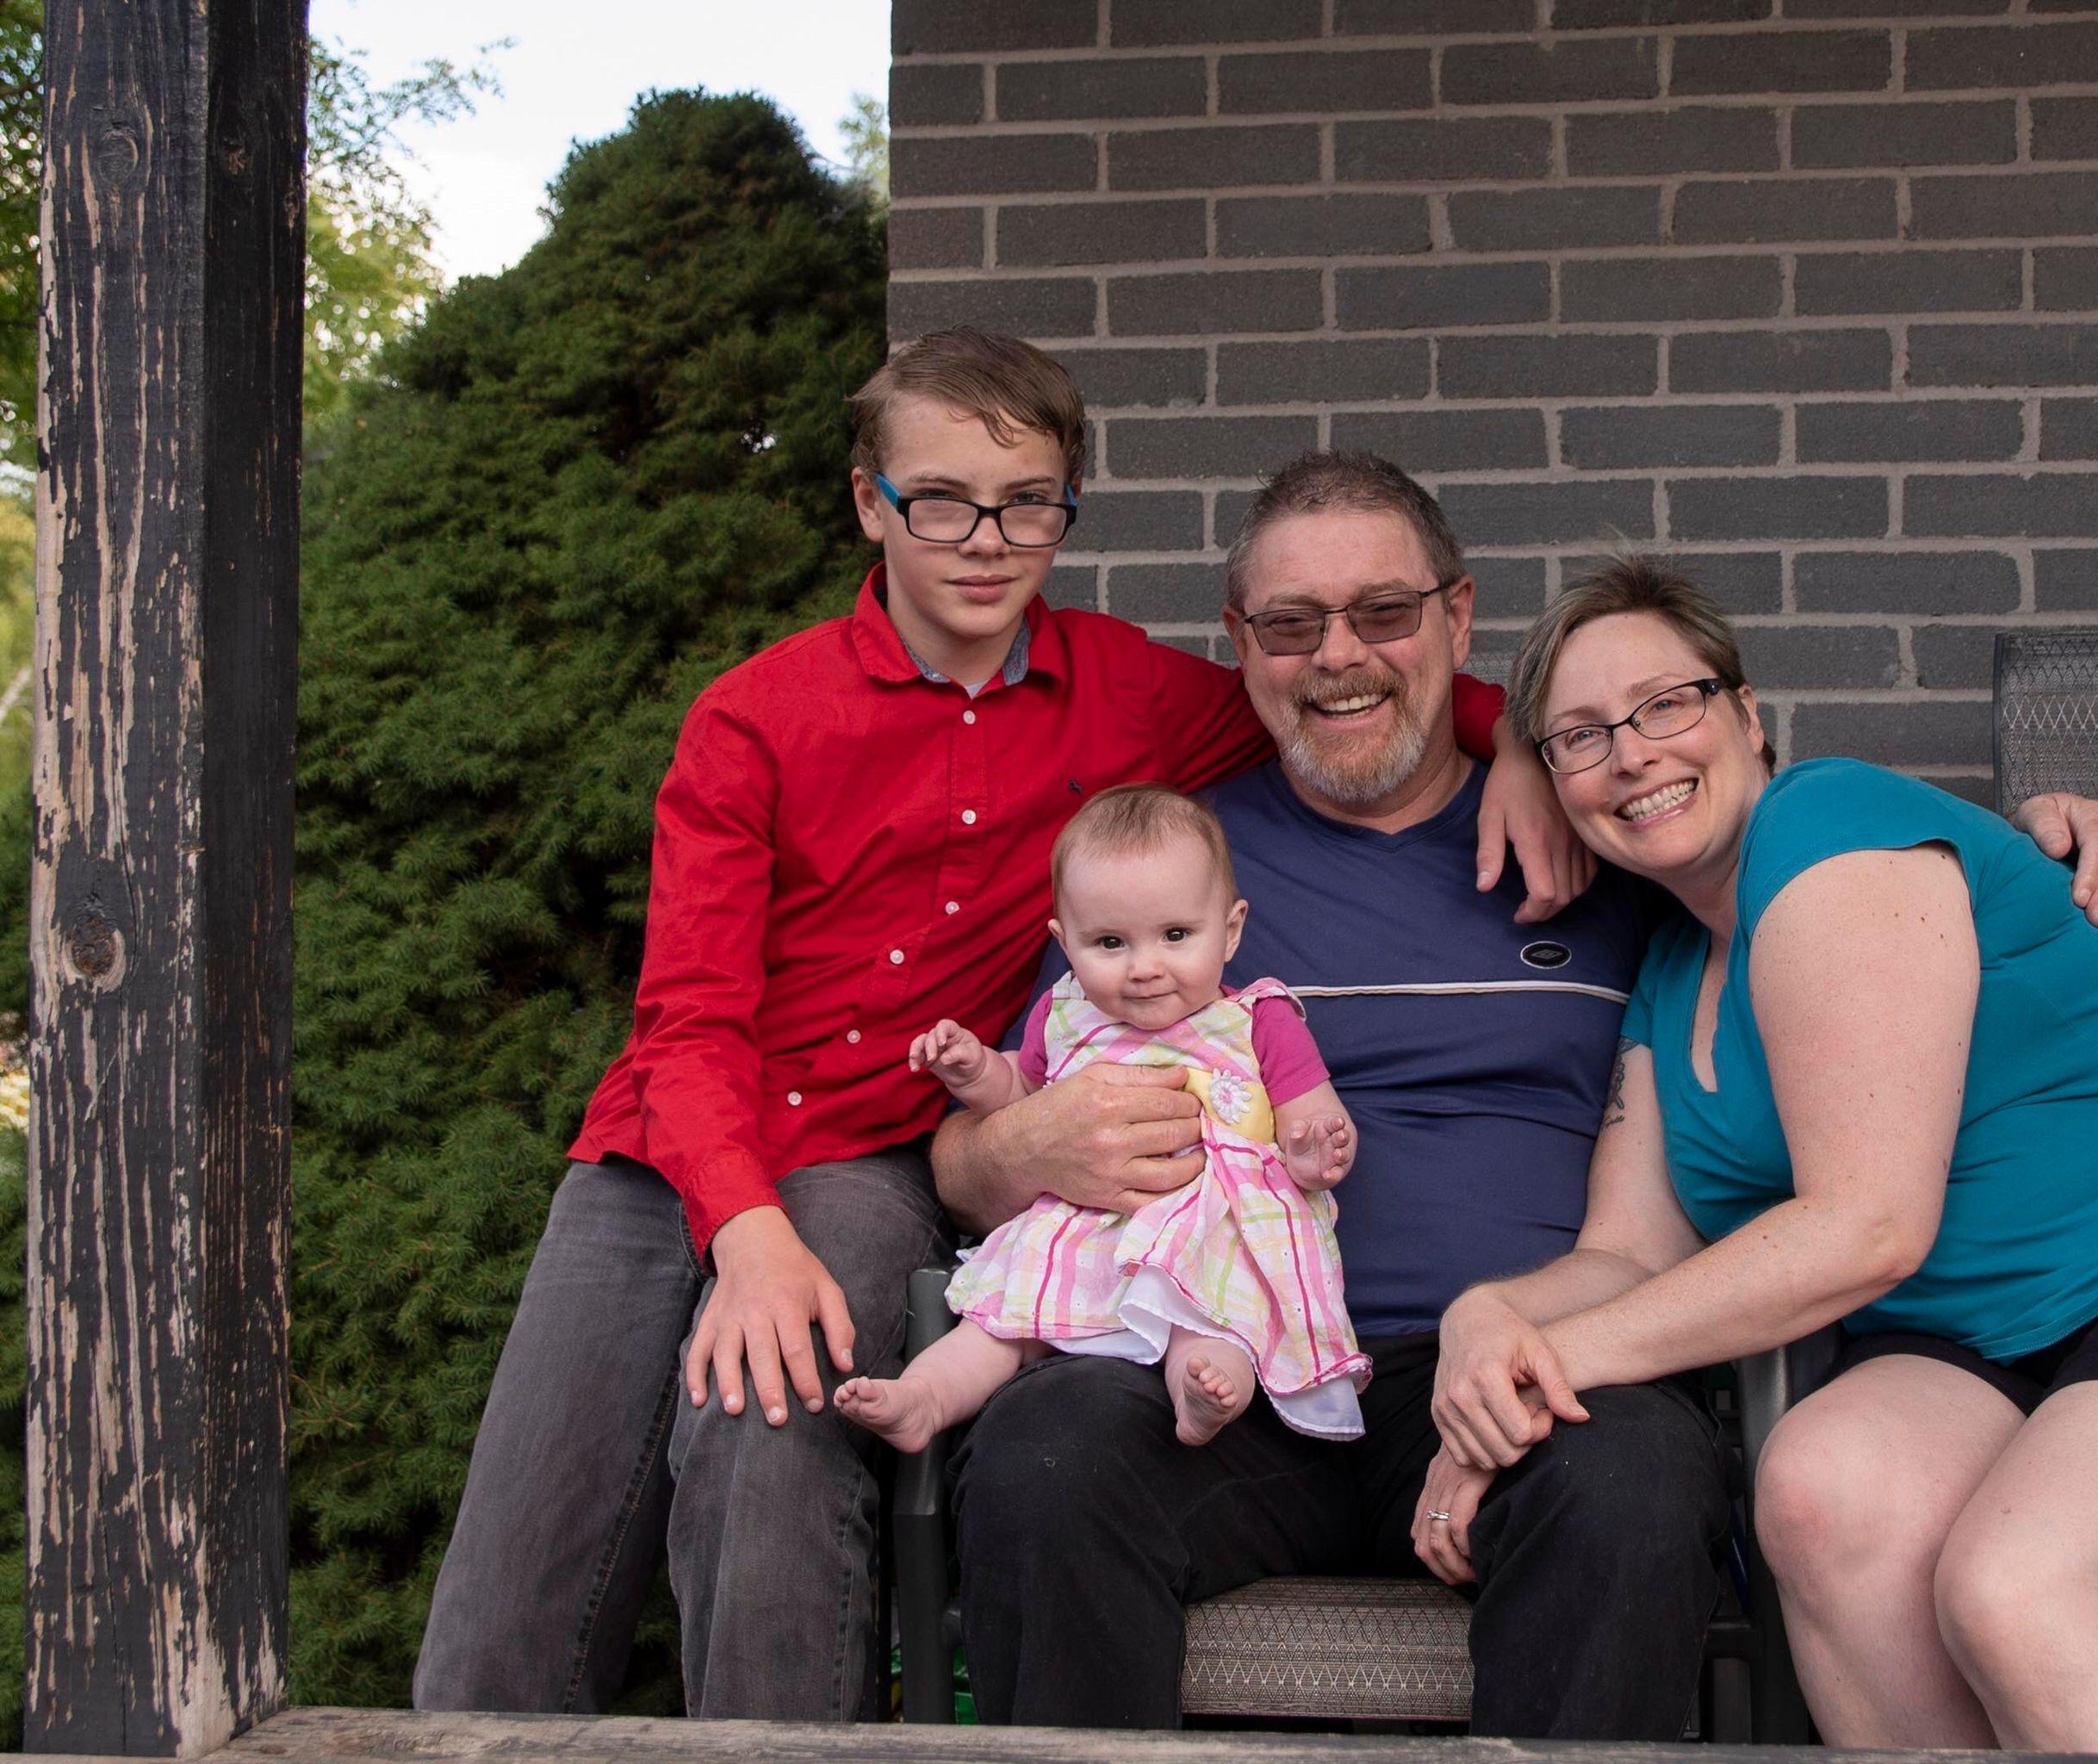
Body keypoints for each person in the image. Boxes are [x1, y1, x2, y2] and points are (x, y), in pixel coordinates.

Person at [412, 332, 1570, 1721]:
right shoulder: (755, 717)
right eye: (939, 500)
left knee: (767, 1426)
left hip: (870, 1157)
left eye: (1025, 503)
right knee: (523, 1544)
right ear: (868, 504)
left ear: (1064, 510)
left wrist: (1517, 743)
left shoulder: (1129, 694)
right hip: (671, 1141)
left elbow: (1339, 692)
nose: (983, 539)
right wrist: (743, 1230)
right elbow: (687, 1018)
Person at [932, 451, 2098, 1737]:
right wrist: (1009, 1141)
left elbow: (1808, 873)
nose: (1337, 655)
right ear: (1240, 644)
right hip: (1213, 1360)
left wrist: (2035, 837)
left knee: (1627, 1476)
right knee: (1045, 1455)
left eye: (1384, 613)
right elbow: (975, 1145)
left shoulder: (1604, 839)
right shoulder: (1162, 864)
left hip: (1532, 1371)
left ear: (1456, 619)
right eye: (1292, 624)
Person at [1457, 556, 2098, 1756]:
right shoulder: (1662, 974)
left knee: (2022, 1589)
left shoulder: (1827, 825)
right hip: (2004, 1345)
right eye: (1580, 737)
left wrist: (1545, 1368)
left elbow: (1864, 1226)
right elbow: (1626, 1255)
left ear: (1746, 718)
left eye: (1664, 704)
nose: (1631, 753)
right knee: (1822, 1493)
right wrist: (1483, 1332)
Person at [835, 784, 1365, 1454]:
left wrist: (1316, 1152)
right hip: (1085, 1221)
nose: (1144, 968)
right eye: (1110, 942)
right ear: (1065, 941)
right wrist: (975, 1073)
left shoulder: (1258, 1018)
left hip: (1211, 1219)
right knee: (1000, 1324)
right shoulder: (1064, 1015)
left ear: (1229, 930)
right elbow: (1023, 1093)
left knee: (1210, 1323)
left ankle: (1201, 1396)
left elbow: (1308, 1115)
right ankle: (924, 1398)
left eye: (1175, 935)